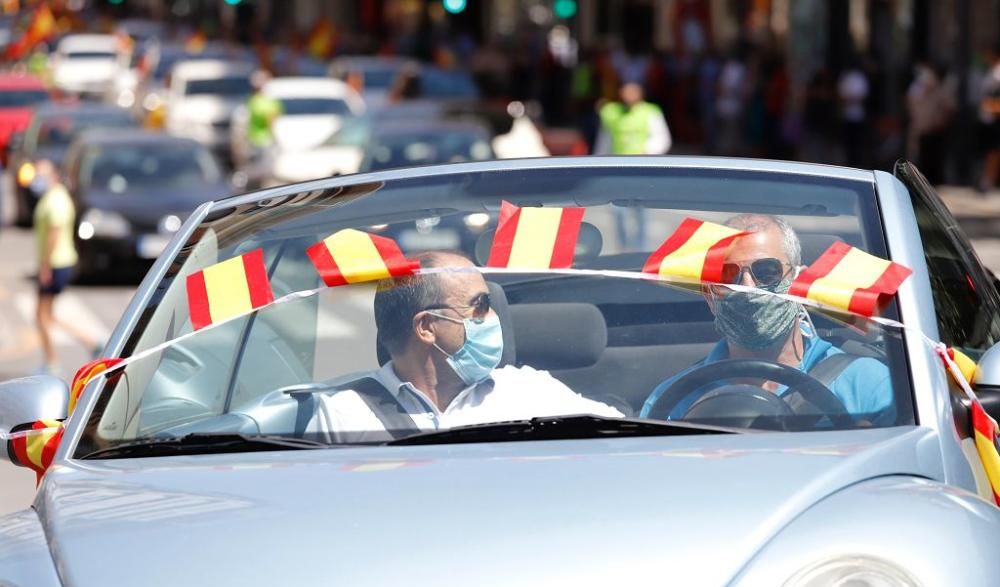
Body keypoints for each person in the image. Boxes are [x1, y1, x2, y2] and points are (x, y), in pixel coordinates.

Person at [309, 252, 620, 441]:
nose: (495, 316)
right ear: (427, 327)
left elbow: (621, 441)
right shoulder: (345, 412)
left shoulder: (526, 391)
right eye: (481, 305)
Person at [640, 213, 893, 425]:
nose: (749, 288)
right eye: (729, 276)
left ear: (797, 281)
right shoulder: (672, 402)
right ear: (709, 295)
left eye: (767, 271)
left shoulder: (868, 383)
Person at [32, 160, 99, 375]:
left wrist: (45, 266)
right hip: (60, 261)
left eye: (41, 173)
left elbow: (54, 232)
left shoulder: (56, 200)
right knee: (48, 315)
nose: (37, 178)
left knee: (41, 315)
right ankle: (91, 342)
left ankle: (51, 362)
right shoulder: (57, 196)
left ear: (53, 174)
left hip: (56, 262)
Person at [595, 81, 671, 250]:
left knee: (640, 209)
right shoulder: (610, 112)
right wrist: (599, 163)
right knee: (618, 210)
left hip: (641, 169)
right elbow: (604, 139)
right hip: (617, 169)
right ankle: (622, 247)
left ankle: (640, 248)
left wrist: (647, 151)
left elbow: (662, 138)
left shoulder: (650, 112)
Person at [978, 44, 1000, 193]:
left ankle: (989, 180)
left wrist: (993, 106)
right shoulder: (991, 71)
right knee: (990, 151)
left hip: (996, 118)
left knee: (994, 151)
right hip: (989, 119)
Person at [245, 70, 283, 154]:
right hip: (266, 140)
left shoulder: (252, 100)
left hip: (253, 139)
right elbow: (272, 121)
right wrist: (276, 139)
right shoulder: (270, 102)